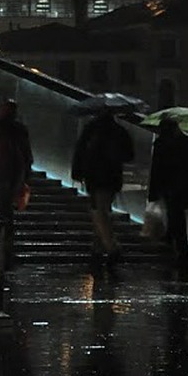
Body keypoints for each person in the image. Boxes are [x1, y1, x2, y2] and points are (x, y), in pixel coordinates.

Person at [71, 109, 135, 263]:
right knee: (104, 210)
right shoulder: (119, 131)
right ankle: (97, 248)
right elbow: (129, 155)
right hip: (112, 177)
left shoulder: (91, 129)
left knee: (98, 211)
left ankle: (111, 247)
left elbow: (80, 151)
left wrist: (77, 172)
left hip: (95, 177)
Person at [147, 115, 188, 273]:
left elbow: (156, 170)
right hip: (183, 188)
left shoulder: (161, 144)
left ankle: (176, 247)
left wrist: (153, 193)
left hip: (169, 188)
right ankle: (177, 248)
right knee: (177, 218)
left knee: (176, 218)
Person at [0, 99, 34, 262]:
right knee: (6, 205)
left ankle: (6, 236)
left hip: (2, 170)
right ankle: (7, 237)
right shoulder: (18, 130)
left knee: (3, 204)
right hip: (15, 171)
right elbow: (26, 152)